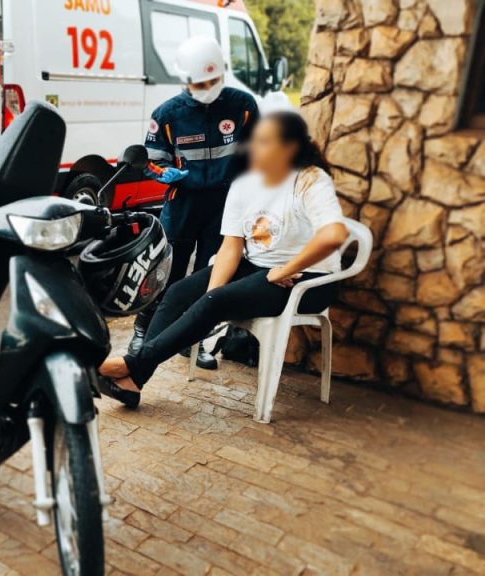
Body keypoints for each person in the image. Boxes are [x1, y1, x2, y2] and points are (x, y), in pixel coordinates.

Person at [98, 111, 349, 408]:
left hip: (308, 278)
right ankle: (134, 380)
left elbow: (334, 235)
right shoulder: (245, 183)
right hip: (258, 267)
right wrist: (210, 296)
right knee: (179, 294)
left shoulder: (310, 179)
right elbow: (232, 245)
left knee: (214, 304)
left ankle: (129, 367)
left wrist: (287, 268)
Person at [131, 36, 260, 370]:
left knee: (209, 272)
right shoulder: (168, 114)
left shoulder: (243, 106)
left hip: (226, 204)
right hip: (182, 201)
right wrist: (163, 173)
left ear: (222, 74)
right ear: (185, 80)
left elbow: (258, 152)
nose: (208, 87)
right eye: (200, 83)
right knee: (166, 271)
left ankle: (195, 339)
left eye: (213, 80)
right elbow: (151, 160)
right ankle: (143, 331)